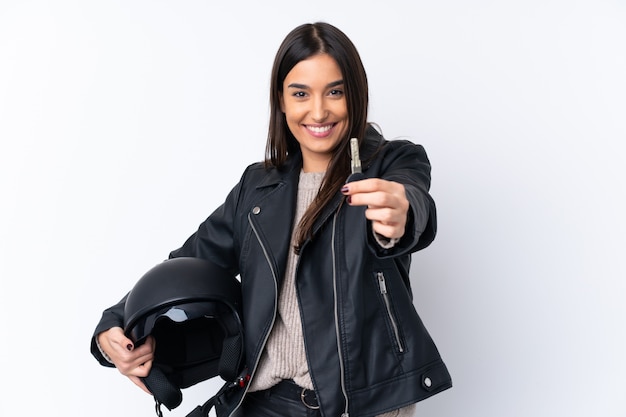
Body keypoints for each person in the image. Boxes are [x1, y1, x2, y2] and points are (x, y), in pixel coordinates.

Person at [91, 21, 452, 417]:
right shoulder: (258, 186)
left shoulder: (392, 164)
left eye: (335, 91)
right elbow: (188, 264)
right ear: (281, 101)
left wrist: (402, 213)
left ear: (356, 94)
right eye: (301, 94)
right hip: (263, 403)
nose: (319, 110)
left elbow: (412, 201)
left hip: (360, 405)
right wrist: (115, 324)